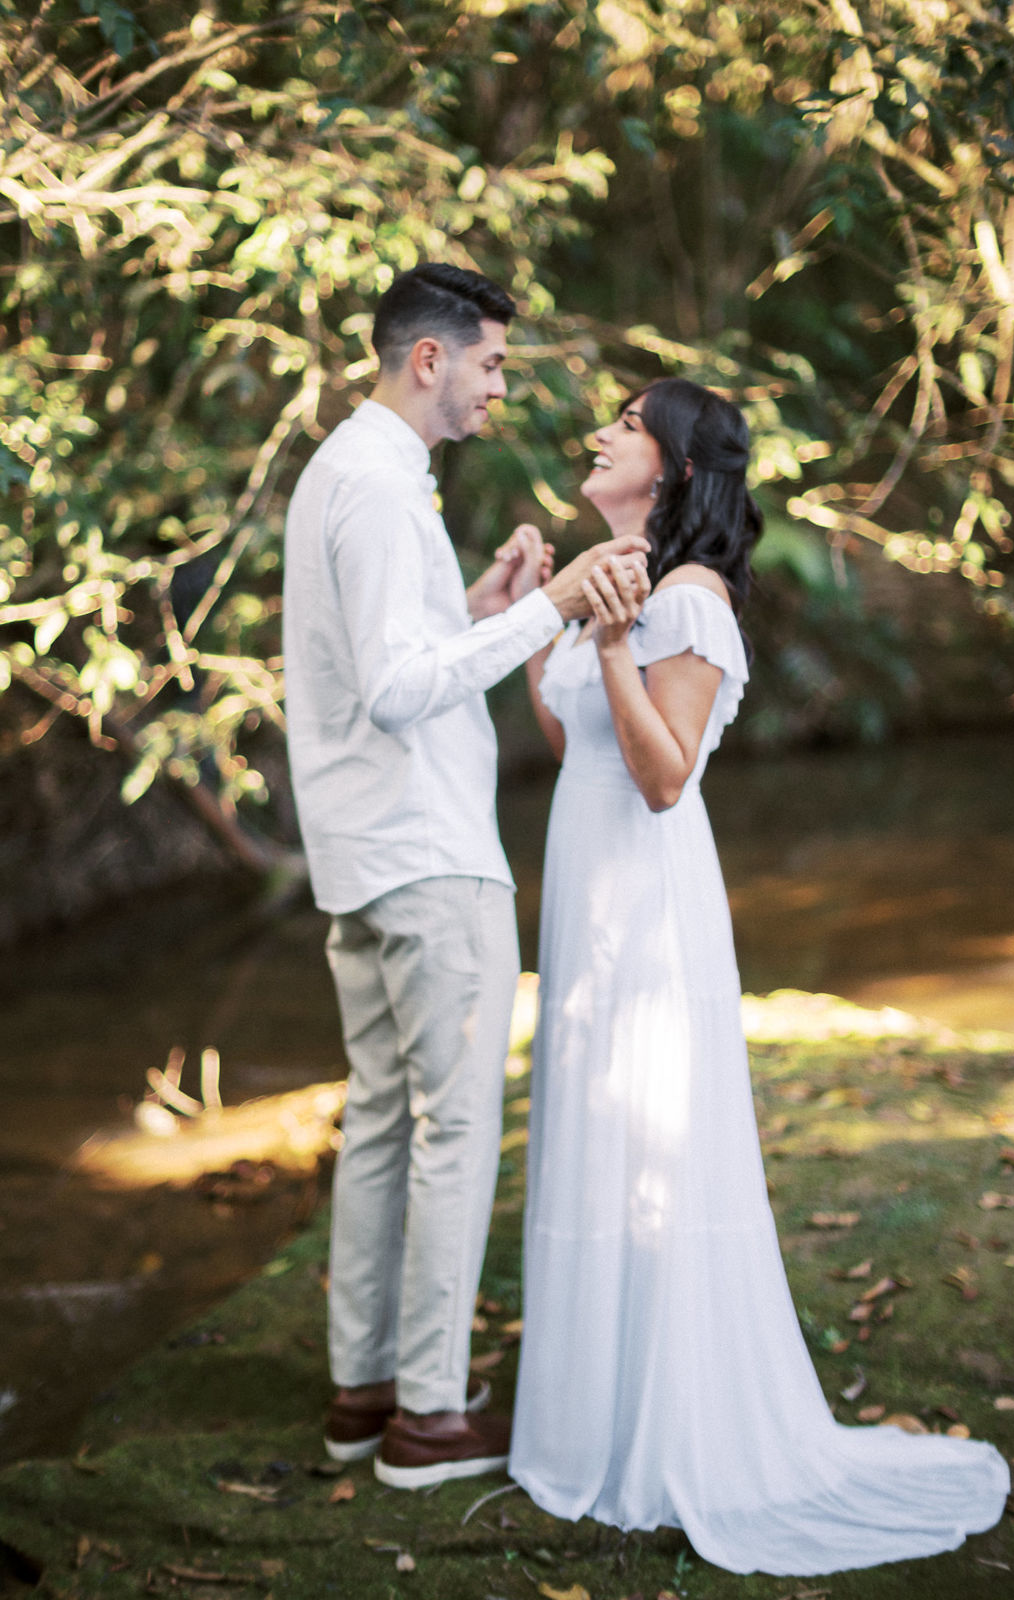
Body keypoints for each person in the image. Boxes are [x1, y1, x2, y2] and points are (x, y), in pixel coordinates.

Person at [508, 377, 1010, 1574]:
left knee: (647, 1141)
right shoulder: (616, 576)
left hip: (647, 900)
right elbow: (574, 742)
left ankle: (665, 1426)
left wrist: (612, 643)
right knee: (590, 1130)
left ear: (677, 468)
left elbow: (662, 774)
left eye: (628, 424)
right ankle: (587, 1419)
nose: (600, 432)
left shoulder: (689, 598)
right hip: (587, 893)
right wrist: (544, 624)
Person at [282, 263, 648, 1490]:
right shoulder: (383, 488)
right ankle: (430, 1417)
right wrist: (548, 608)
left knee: (387, 1120)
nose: (500, 387)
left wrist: (484, 606)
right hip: (429, 855)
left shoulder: (348, 471)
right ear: (428, 358)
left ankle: (365, 1391)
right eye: (490, 363)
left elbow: (391, 663)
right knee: (452, 1129)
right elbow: (397, 695)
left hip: (363, 851)